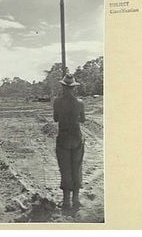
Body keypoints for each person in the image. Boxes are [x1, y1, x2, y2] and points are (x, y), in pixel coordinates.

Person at [53, 73, 86, 209]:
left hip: (63, 138)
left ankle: (66, 201)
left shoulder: (57, 102)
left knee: (65, 169)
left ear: (62, 87)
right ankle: (76, 200)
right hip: (77, 137)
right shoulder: (80, 103)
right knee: (76, 167)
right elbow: (83, 119)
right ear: (74, 88)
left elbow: (55, 119)